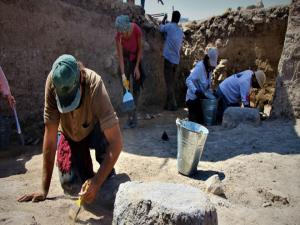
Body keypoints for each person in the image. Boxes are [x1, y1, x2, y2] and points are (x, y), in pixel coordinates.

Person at [18, 54, 123, 204]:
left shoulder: (94, 84)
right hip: (69, 134)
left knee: (105, 133)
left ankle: (107, 175)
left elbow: (116, 142)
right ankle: (87, 173)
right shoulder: (53, 83)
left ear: (80, 79)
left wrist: (97, 182)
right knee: (71, 186)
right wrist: (44, 189)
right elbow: (50, 138)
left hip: (93, 132)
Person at [115, 15, 144, 128]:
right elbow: (121, 58)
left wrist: (137, 67)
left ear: (127, 28)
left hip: (136, 59)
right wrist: (123, 76)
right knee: (125, 89)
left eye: (123, 32)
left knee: (136, 88)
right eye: (120, 32)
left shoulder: (136, 29)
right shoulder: (118, 36)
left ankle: (134, 115)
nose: (121, 35)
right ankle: (129, 117)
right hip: (126, 61)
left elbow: (140, 49)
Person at [185, 47, 218, 124]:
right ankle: (191, 115)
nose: (213, 67)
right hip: (192, 99)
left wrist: (212, 92)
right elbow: (188, 80)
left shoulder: (209, 70)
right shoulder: (199, 67)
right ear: (207, 60)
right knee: (194, 123)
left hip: (201, 100)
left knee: (204, 121)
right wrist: (195, 91)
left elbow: (207, 87)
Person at [160, 10, 184, 111]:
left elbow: (160, 28)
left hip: (169, 59)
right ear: (178, 19)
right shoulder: (180, 31)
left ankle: (173, 104)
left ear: (172, 17)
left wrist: (164, 19)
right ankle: (167, 104)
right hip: (176, 61)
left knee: (168, 83)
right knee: (171, 83)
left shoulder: (169, 26)